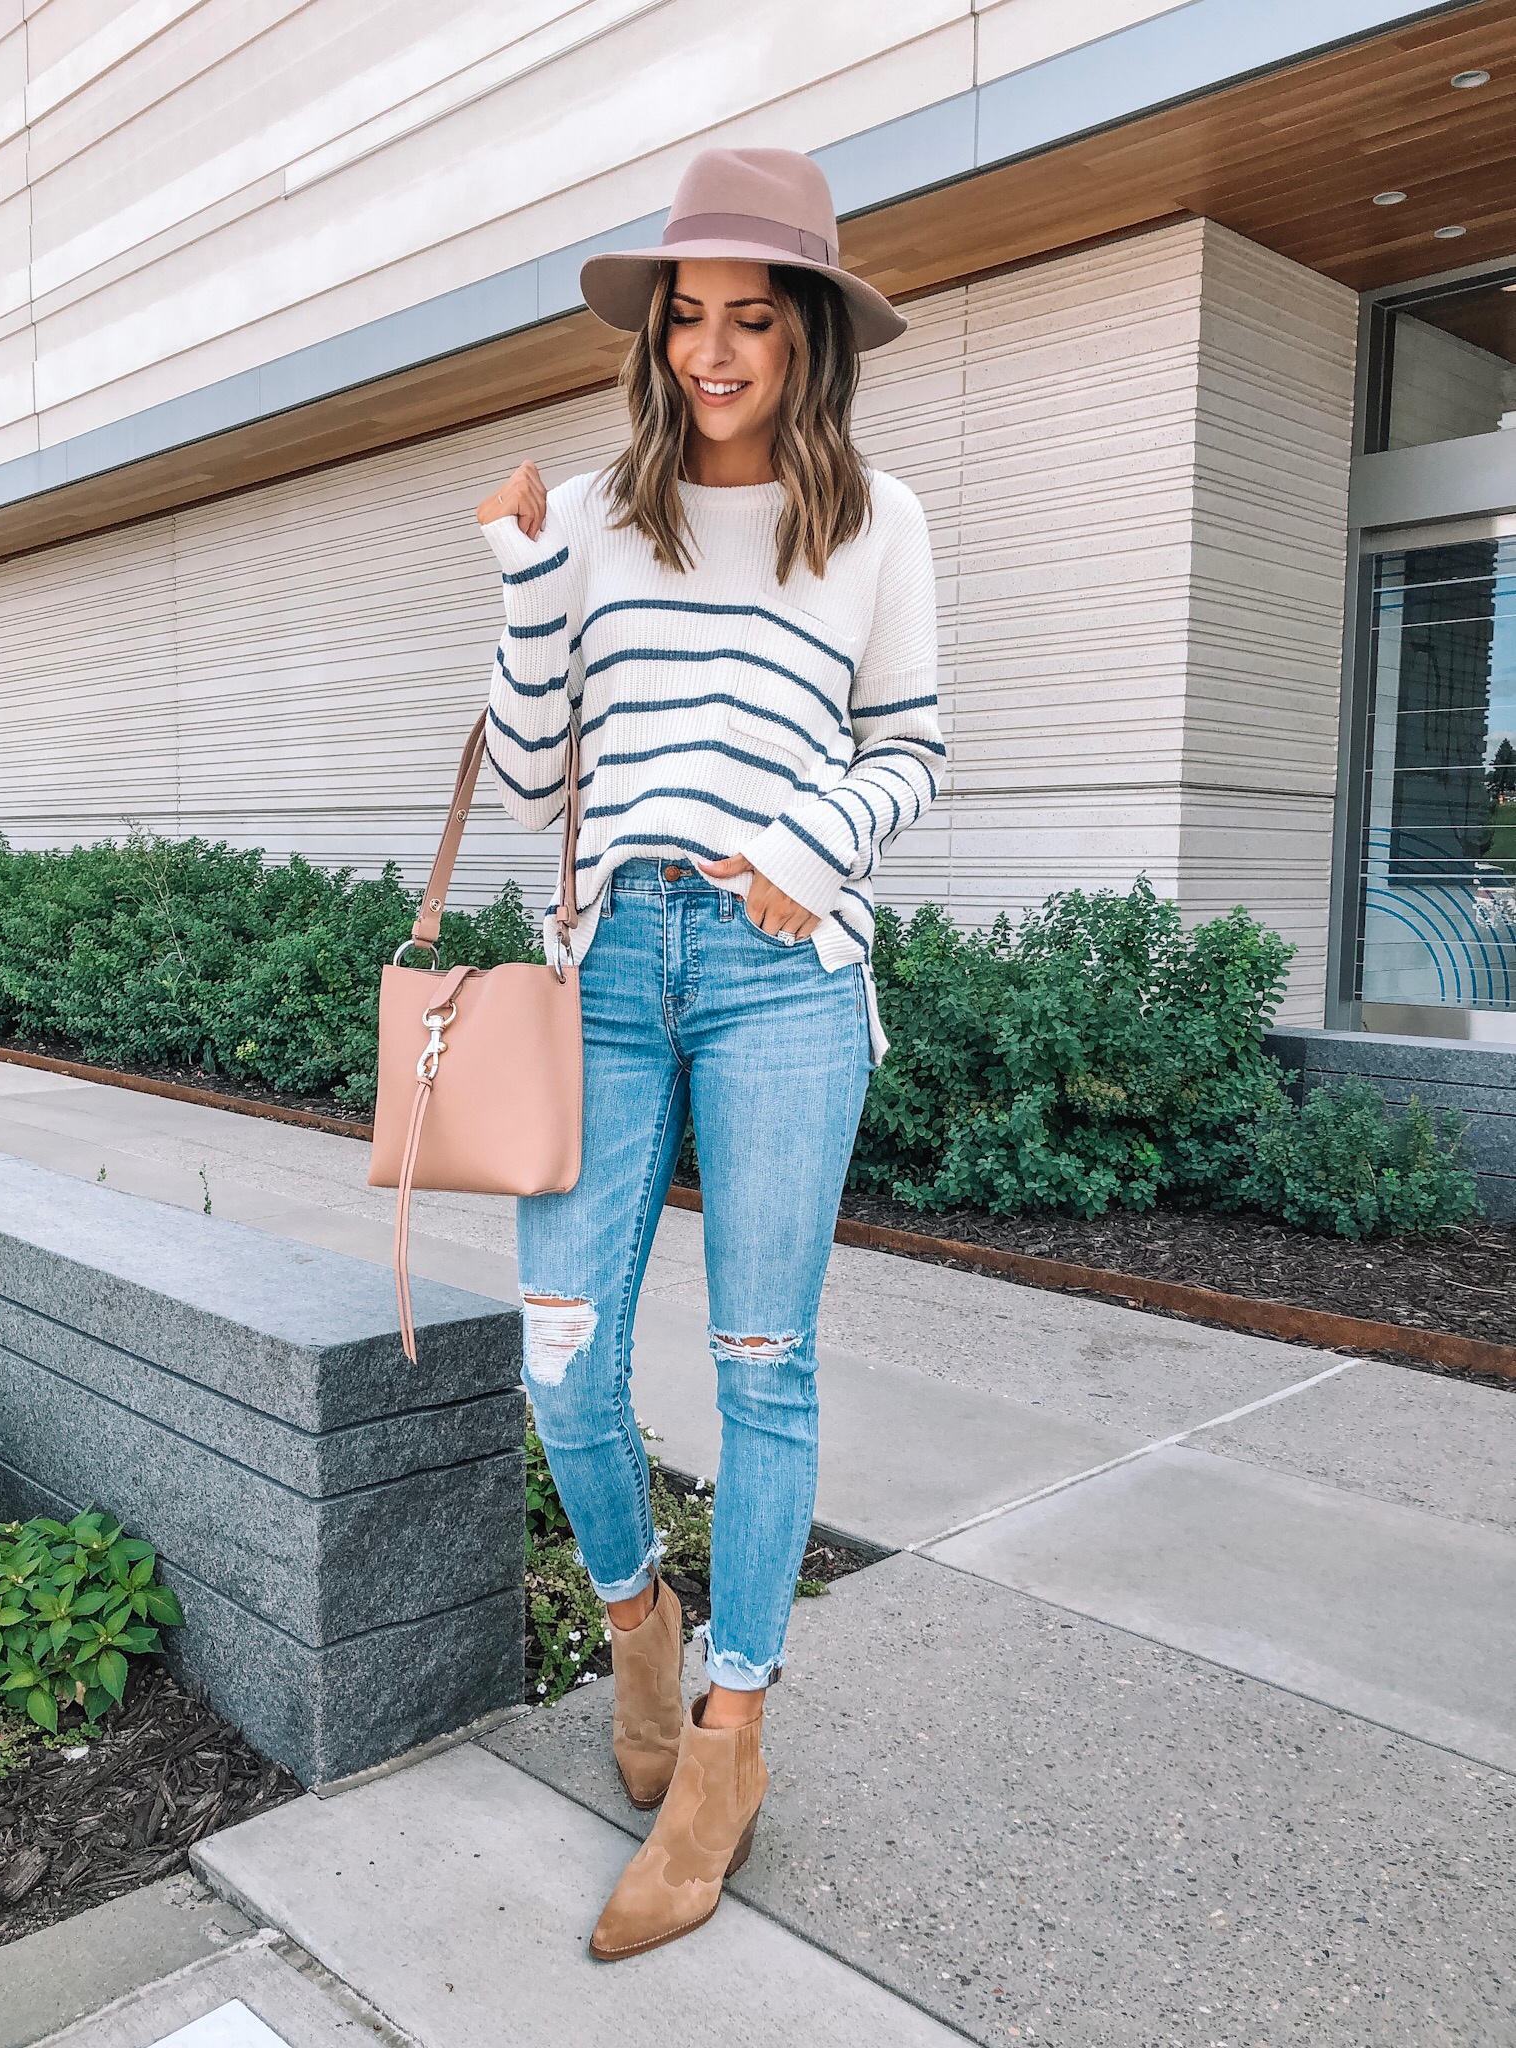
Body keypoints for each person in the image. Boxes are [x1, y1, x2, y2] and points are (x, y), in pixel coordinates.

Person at [474, 145, 942, 1961]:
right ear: (656, 333)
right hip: (603, 965)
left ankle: (728, 1735)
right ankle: (636, 1621)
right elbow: (528, 777)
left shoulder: (877, 520)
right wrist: (524, 576)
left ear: (808, 336)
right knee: (561, 1356)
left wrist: (804, 855)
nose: (716, 349)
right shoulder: (594, 509)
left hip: (781, 968)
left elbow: (908, 744)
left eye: (753, 318)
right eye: (691, 317)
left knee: (761, 1363)